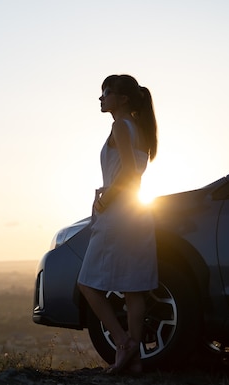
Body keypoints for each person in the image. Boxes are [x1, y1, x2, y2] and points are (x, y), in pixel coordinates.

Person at [77, 74, 159, 375]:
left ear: (122, 99)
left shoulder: (120, 126)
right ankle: (134, 361)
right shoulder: (141, 129)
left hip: (119, 213)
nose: (101, 98)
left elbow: (126, 173)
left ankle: (123, 342)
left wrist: (105, 198)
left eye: (106, 92)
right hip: (137, 213)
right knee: (133, 289)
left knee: (87, 283)